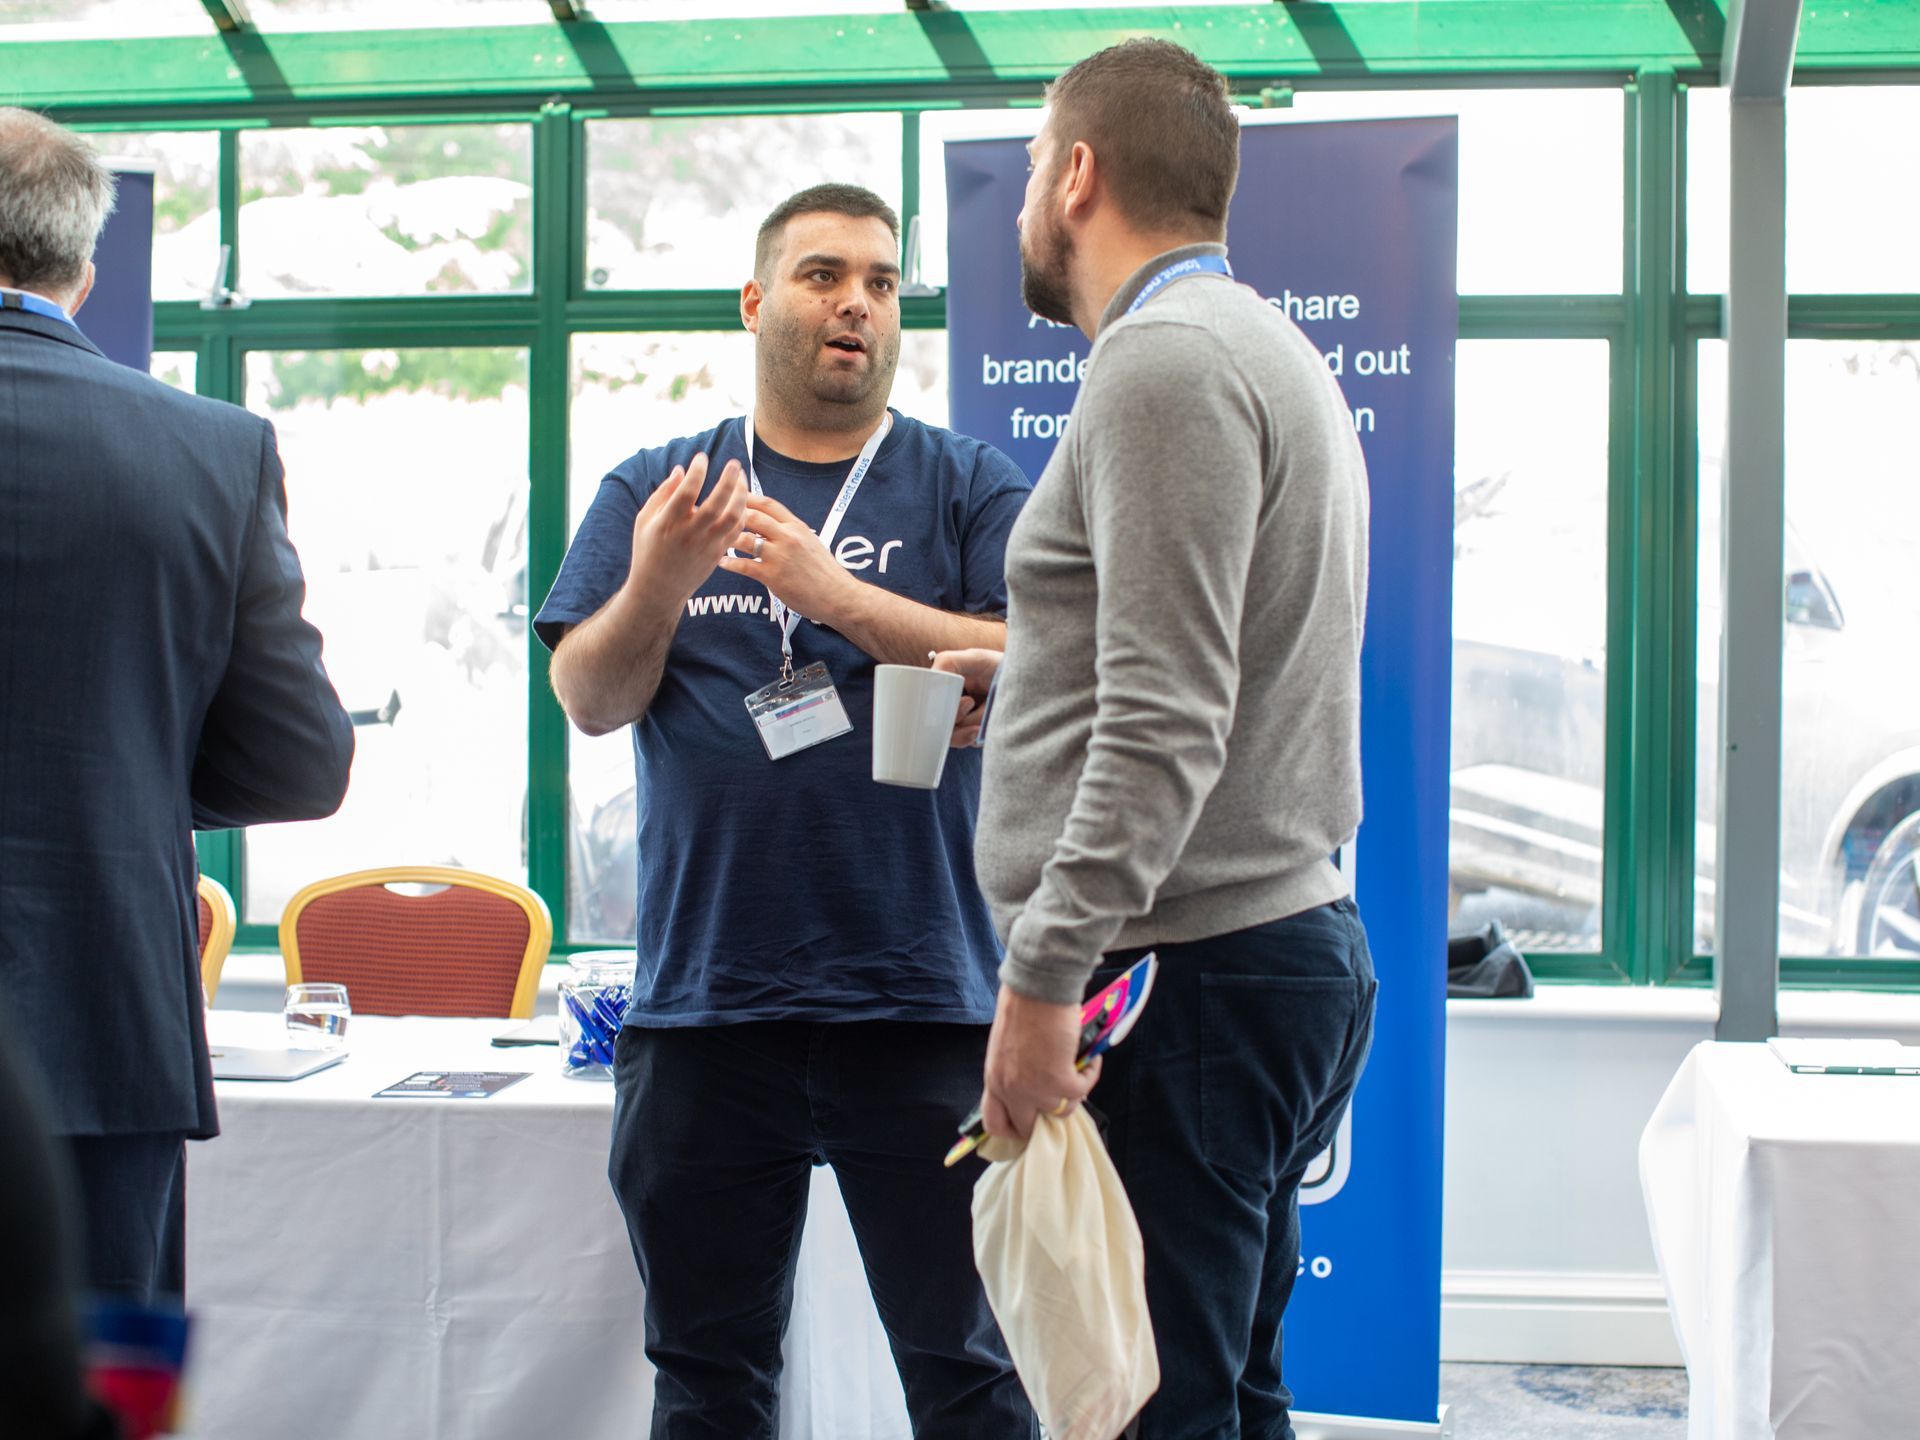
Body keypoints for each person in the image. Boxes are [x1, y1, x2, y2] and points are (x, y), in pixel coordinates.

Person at [536, 182, 1035, 1438]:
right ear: (756, 302)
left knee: (968, 1375)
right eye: (822, 275)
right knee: (708, 1382)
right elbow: (590, 698)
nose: (855, 302)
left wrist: (841, 598)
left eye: (879, 282)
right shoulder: (660, 486)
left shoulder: (966, 482)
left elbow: (1040, 655)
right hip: (708, 1014)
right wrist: (657, 579)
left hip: (922, 1005)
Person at [935, 39, 1379, 1438]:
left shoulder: (1164, 364)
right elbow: (1204, 680)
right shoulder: (1256, 350)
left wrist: (1039, 981)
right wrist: (1026, 695)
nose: (1018, 209)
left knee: (1150, 1416)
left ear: (1078, 176)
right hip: (1256, 965)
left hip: (1187, 983)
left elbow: (1169, 717)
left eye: (1027, 171)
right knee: (1224, 1400)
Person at [0, 107, 354, 1305]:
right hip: (107, 1040)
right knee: (112, 1395)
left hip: (110, 1045)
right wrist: (129, 769)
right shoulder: (211, 450)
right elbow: (304, 765)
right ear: (87, 272)